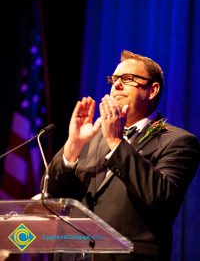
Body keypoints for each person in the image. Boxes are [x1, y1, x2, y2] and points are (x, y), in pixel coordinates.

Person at [45, 50, 200, 261]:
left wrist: (116, 143)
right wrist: (72, 146)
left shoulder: (178, 142)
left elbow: (161, 198)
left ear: (152, 90)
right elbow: (52, 198)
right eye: (114, 79)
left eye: (127, 79)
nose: (116, 85)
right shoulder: (90, 138)